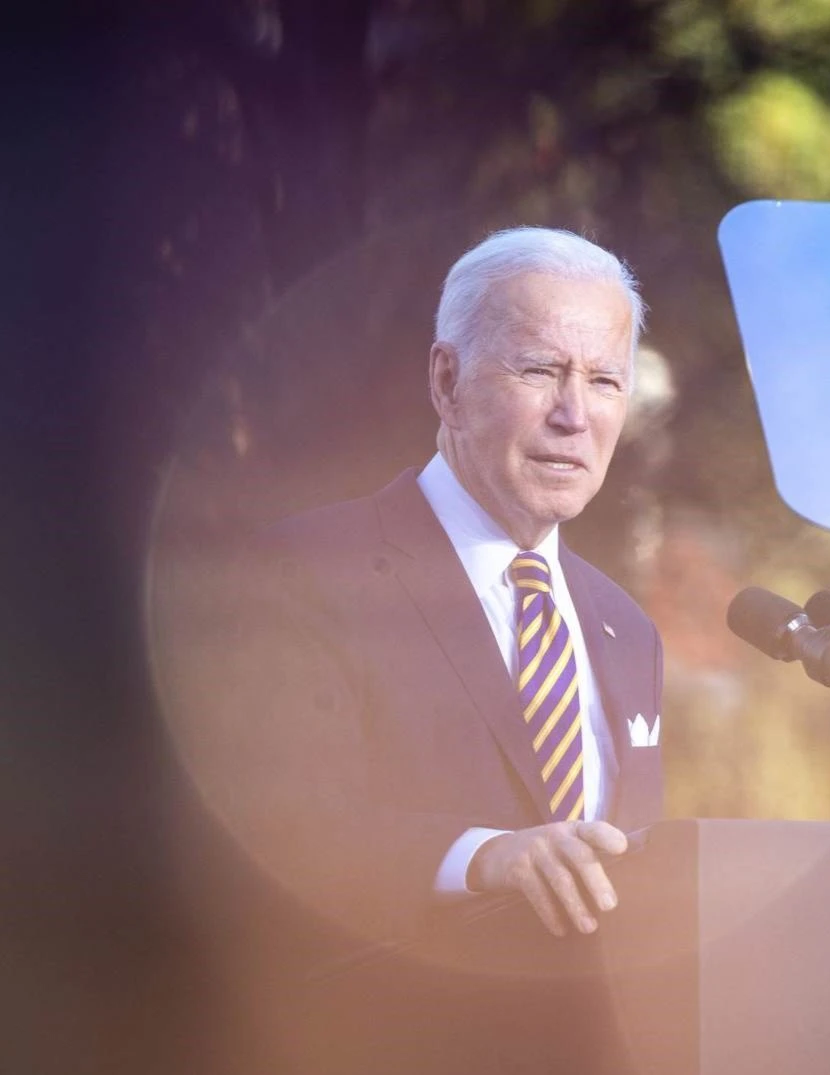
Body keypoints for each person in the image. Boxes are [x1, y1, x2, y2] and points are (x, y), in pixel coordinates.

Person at [198, 227, 666, 945]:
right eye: (541, 370)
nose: (575, 415)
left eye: (603, 380)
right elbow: (280, 827)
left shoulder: (626, 627)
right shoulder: (304, 574)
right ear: (447, 382)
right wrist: (484, 856)